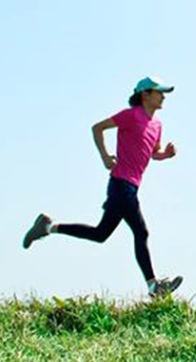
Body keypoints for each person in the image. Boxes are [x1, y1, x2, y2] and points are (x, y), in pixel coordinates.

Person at [22, 76, 183, 298]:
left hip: (131, 186)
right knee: (141, 231)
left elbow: (153, 151)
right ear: (145, 94)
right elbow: (97, 128)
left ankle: (48, 227)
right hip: (120, 184)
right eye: (159, 92)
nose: (163, 96)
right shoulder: (130, 116)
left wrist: (164, 155)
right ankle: (153, 286)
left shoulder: (157, 125)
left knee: (101, 234)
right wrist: (105, 157)